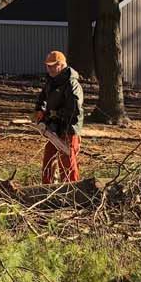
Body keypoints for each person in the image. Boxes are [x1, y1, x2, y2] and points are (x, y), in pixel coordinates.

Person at [35, 50, 84, 184]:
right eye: (47, 65)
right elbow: (42, 98)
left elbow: (74, 110)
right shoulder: (51, 81)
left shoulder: (72, 84)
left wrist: (56, 114)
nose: (49, 68)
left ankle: (73, 193)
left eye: (52, 65)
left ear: (61, 65)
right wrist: (40, 110)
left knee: (67, 165)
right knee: (48, 163)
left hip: (68, 129)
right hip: (53, 129)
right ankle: (46, 191)